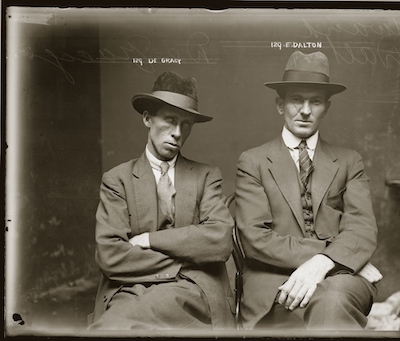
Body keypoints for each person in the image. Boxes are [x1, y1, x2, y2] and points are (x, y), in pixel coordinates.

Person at [234, 51, 383, 331]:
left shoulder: (350, 161)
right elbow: (255, 239)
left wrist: (325, 265)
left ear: (326, 107)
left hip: (341, 282)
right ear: (280, 105)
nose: (305, 110)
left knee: (332, 301)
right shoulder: (252, 161)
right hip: (275, 284)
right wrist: (332, 256)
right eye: (295, 100)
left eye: (315, 101)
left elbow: (362, 230)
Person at [88, 71, 235, 330]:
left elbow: (220, 241)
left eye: (186, 124)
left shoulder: (206, 176)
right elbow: (110, 256)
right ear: (147, 118)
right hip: (130, 288)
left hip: (193, 289)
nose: (177, 133)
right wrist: (189, 257)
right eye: (170, 120)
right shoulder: (118, 180)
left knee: (126, 323)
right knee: (117, 323)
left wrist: (148, 241)